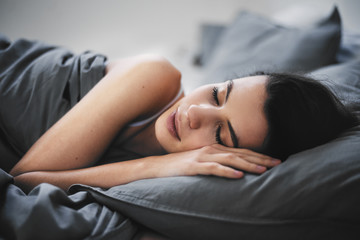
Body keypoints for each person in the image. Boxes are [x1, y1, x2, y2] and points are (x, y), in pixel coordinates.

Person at [8, 54, 358, 193]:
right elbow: (23, 180)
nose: (195, 114)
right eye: (219, 94)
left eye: (220, 133)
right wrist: (158, 165)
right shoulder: (155, 75)